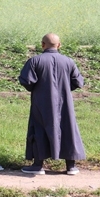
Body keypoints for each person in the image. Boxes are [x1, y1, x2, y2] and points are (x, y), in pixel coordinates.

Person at [18, 33, 86, 175]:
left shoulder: (35, 61)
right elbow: (78, 82)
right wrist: (65, 88)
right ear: (59, 45)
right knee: (67, 128)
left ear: (42, 44)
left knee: (39, 129)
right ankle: (71, 167)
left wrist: (38, 89)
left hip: (41, 103)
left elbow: (27, 81)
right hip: (64, 103)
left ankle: (37, 166)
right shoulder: (69, 62)